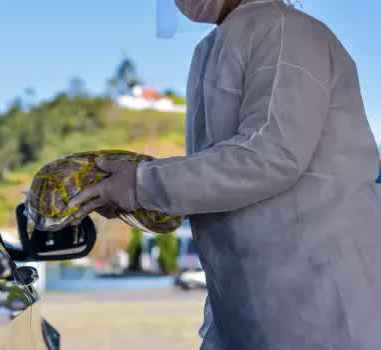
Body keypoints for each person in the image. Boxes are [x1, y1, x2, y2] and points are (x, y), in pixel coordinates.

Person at [69, 0, 381, 349]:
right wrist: (139, 198)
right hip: (249, 304)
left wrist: (143, 184)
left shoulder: (284, 30)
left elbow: (271, 155)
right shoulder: (213, 49)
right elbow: (221, 177)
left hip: (325, 301)